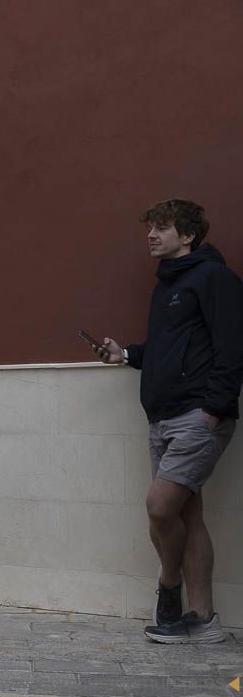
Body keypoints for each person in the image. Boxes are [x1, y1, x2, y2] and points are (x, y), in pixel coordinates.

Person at [94, 199, 243, 644]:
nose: (151, 235)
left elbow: (232, 347)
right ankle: (203, 620)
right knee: (187, 513)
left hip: (197, 417)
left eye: (161, 228)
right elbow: (169, 349)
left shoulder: (214, 278)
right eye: (150, 229)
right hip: (162, 417)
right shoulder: (166, 286)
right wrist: (127, 355)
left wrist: (214, 408)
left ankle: (170, 591)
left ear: (188, 236)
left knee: (160, 506)